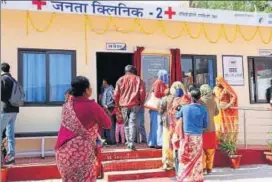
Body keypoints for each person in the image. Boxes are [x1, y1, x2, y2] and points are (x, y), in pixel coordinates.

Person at [55, 76, 111, 181]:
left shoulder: (67, 105)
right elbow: (107, 124)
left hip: (63, 154)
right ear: (86, 90)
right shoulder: (92, 106)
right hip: (82, 154)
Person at [176, 88, 208, 182]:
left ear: (190, 97)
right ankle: (196, 178)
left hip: (187, 137)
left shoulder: (185, 108)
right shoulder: (203, 109)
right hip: (198, 137)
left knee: (186, 158)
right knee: (197, 159)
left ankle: (185, 178)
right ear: (199, 97)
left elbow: (177, 116)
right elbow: (205, 125)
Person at [114, 65, 146, 150]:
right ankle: (131, 143)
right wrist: (141, 103)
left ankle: (128, 142)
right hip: (134, 104)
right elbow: (142, 92)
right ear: (133, 71)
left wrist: (117, 105)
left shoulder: (120, 80)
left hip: (123, 105)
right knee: (132, 123)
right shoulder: (139, 79)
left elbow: (116, 94)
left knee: (126, 124)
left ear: (125, 71)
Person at [168, 81, 190, 173]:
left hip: (176, 128)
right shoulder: (187, 101)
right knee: (183, 148)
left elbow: (170, 114)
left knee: (176, 148)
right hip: (185, 129)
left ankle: (177, 169)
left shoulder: (173, 102)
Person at [1, 62, 19, 165]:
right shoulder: (13, 80)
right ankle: (11, 156)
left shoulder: (3, 79)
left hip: (5, 110)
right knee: (10, 133)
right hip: (14, 110)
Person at [200, 84, 219, 175]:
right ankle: (209, 168)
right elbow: (216, 113)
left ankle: (203, 168)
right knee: (210, 150)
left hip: (202, 129)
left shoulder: (199, 101)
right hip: (212, 128)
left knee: (202, 149)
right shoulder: (213, 101)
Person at [148, 70, 169, 149]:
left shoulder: (160, 82)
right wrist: (165, 93)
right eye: (165, 75)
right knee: (158, 126)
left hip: (157, 108)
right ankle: (158, 143)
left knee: (156, 126)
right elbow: (157, 94)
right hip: (156, 109)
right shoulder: (158, 82)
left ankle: (153, 142)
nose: (167, 77)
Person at [101, 78, 115, 145]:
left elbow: (114, 98)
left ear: (107, 82)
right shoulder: (105, 89)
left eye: (104, 82)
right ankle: (108, 140)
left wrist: (109, 106)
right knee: (106, 125)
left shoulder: (111, 89)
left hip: (109, 108)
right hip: (105, 109)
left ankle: (112, 140)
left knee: (110, 124)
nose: (103, 84)